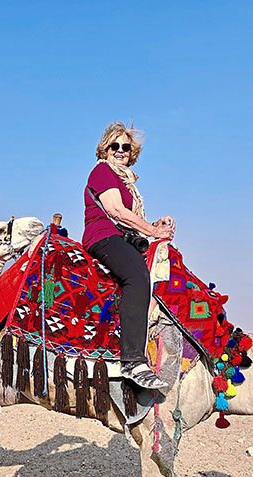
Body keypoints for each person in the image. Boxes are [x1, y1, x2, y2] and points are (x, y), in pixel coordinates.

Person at [82, 121, 175, 389]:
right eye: (116, 145)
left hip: (122, 238)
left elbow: (131, 218)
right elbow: (116, 212)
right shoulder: (102, 172)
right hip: (103, 237)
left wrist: (156, 225)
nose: (121, 151)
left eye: (126, 147)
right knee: (137, 276)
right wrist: (154, 232)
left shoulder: (127, 181)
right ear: (105, 149)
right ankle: (133, 361)